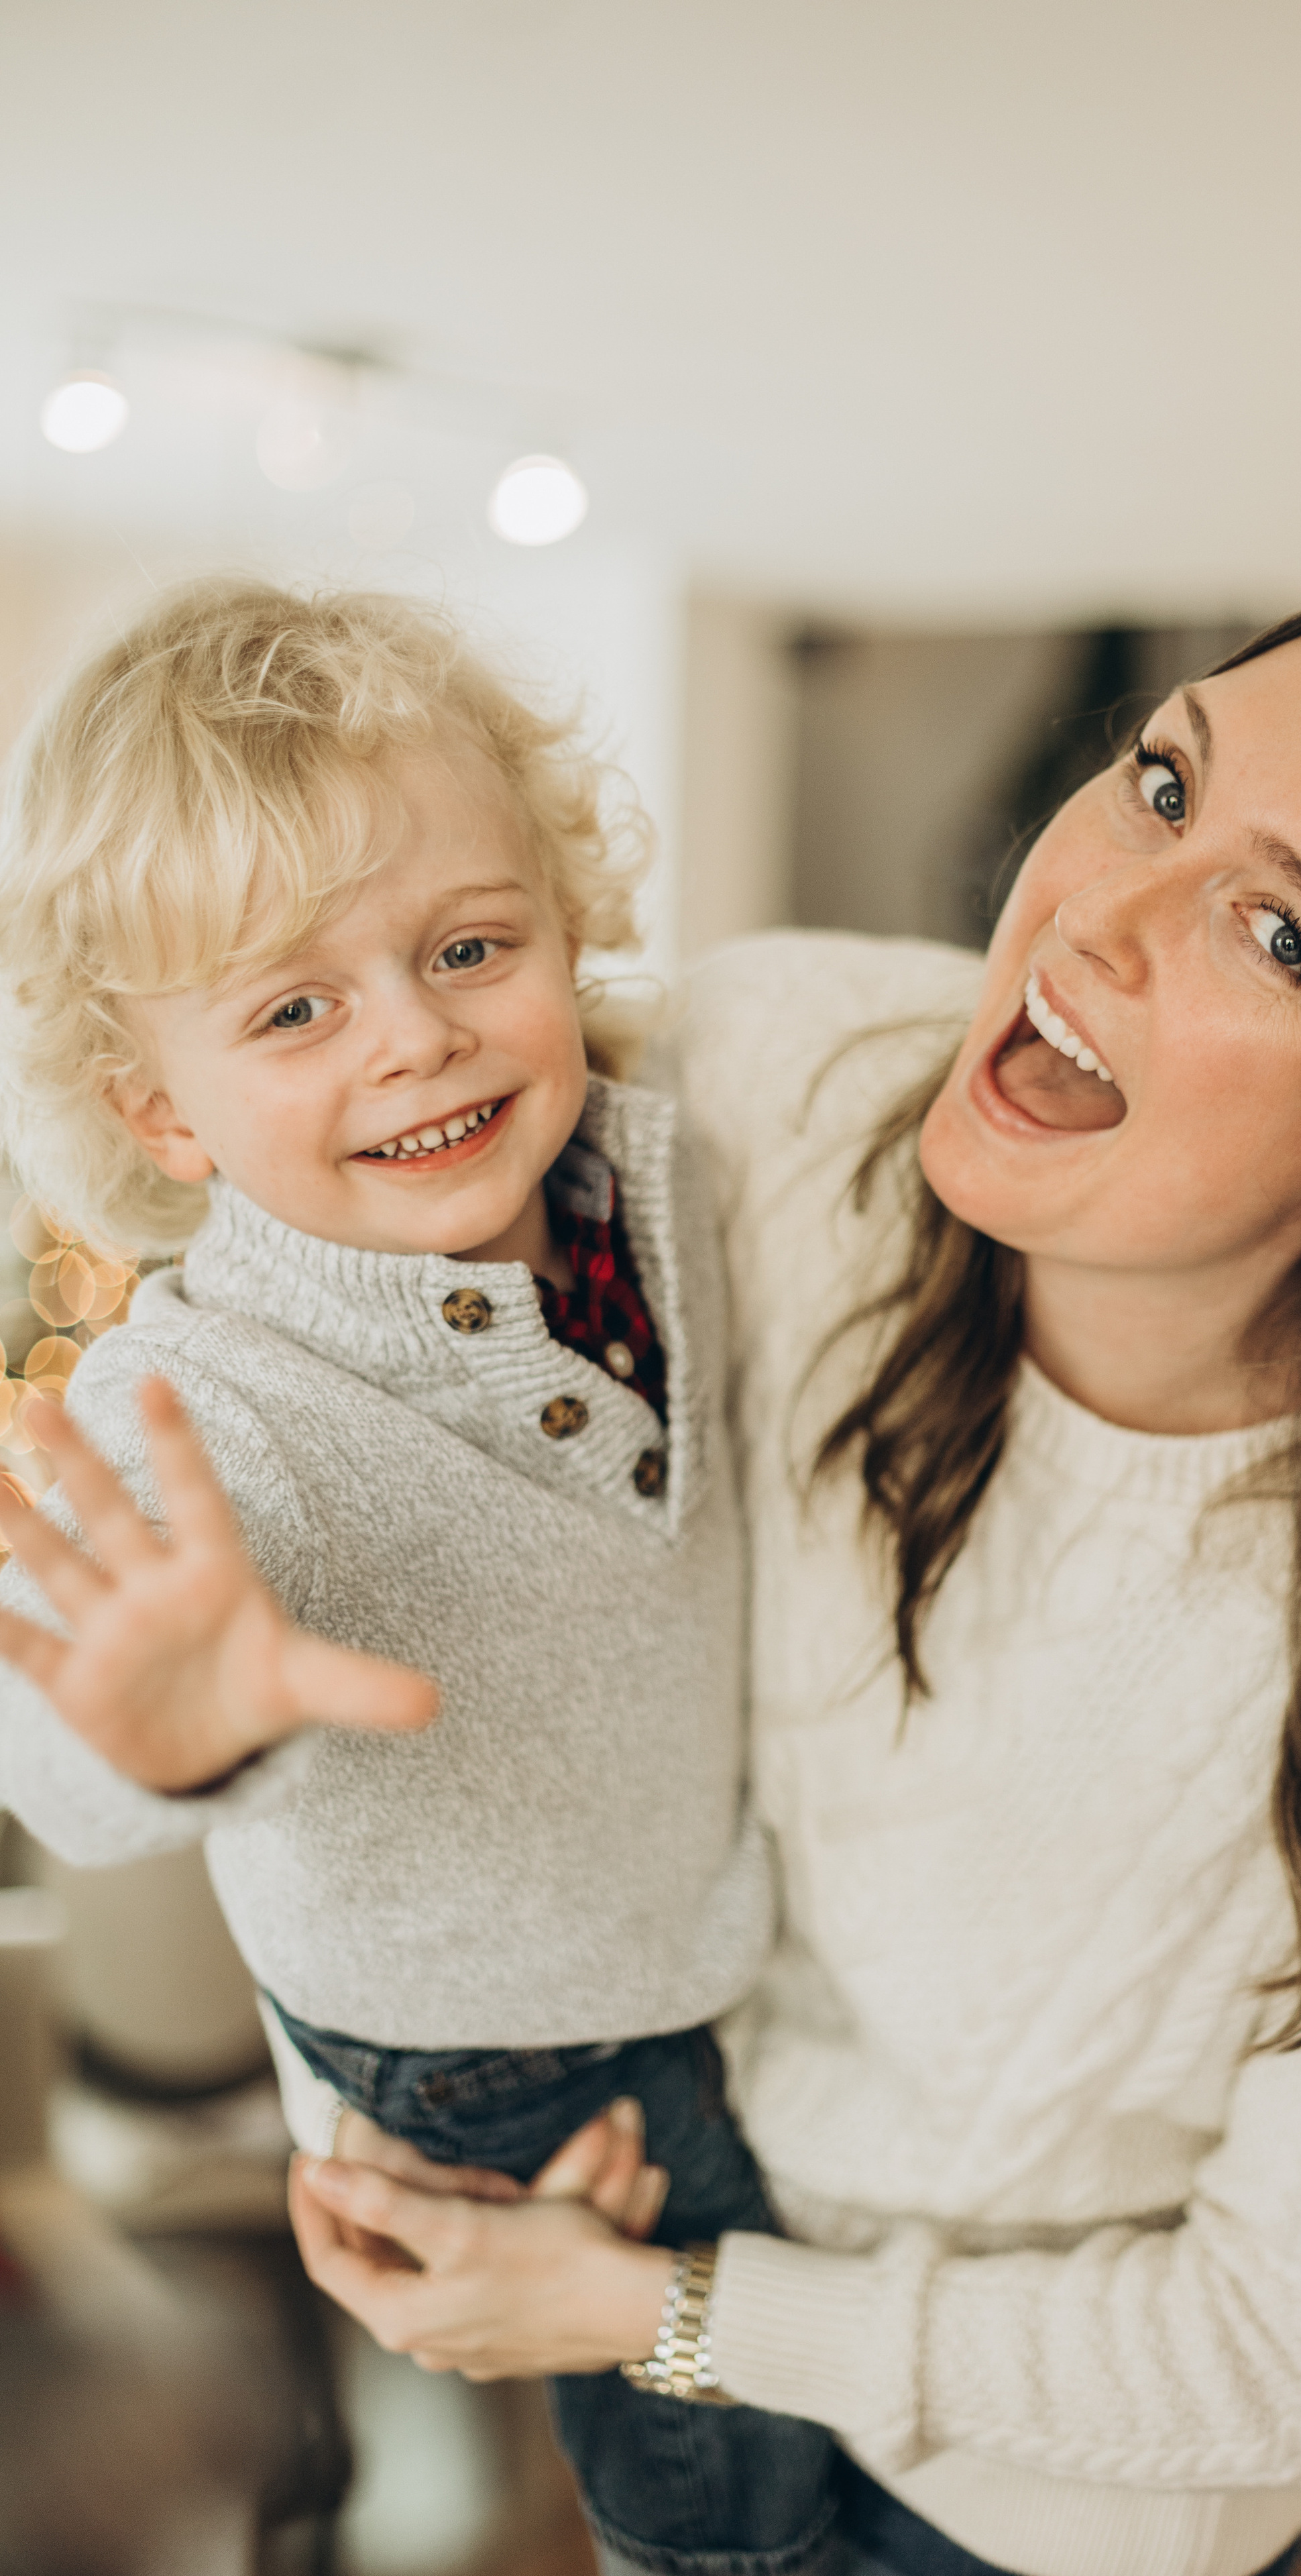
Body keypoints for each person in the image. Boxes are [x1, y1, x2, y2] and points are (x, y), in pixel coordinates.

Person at [269, 576, 1301, 2576]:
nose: (1101, 918)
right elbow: (341, 1385)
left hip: (1036, 2521)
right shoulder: (770, 1076)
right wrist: (372, 2100)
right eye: (1158, 784)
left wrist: (675, 2315)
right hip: (672, 2336)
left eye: (1273, 933)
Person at [0, 580, 838, 2576]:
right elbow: (65, 1750)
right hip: (479, 2055)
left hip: (701, 1943)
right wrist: (149, 1738)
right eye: (293, 1008)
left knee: (831, 2406)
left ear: (562, 919)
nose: (420, 1035)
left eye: (472, 946)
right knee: (735, 2512)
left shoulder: (654, 1177)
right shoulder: (200, 1396)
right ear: (156, 1108)